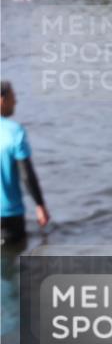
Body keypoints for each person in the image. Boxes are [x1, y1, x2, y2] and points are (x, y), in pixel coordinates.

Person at [1, 81, 50, 246]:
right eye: (12, 97)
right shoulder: (15, 132)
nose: (15, 102)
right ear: (2, 100)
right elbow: (26, 174)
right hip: (9, 217)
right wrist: (40, 205)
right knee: (12, 267)